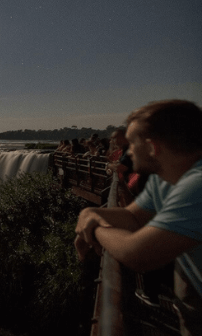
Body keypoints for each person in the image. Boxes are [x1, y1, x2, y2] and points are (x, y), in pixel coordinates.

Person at [74, 99, 202, 335]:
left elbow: (139, 255)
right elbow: (132, 218)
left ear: (153, 147)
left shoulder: (197, 185)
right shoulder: (162, 177)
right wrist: (90, 212)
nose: (128, 151)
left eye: (132, 143)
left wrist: (96, 229)